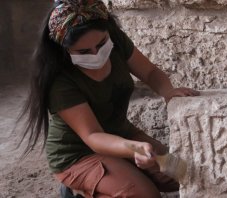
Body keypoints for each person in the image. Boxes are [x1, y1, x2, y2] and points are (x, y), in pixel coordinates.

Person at [19, 0, 199, 197]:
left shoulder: (115, 41)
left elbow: (149, 72)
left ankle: (121, 174)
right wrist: (134, 149)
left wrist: (168, 91)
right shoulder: (60, 81)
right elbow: (93, 136)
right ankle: (78, 190)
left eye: (101, 44)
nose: (96, 54)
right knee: (144, 194)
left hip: (121, 135)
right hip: (78, 153)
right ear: (64, 49)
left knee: (183, 172)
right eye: (84, 52)